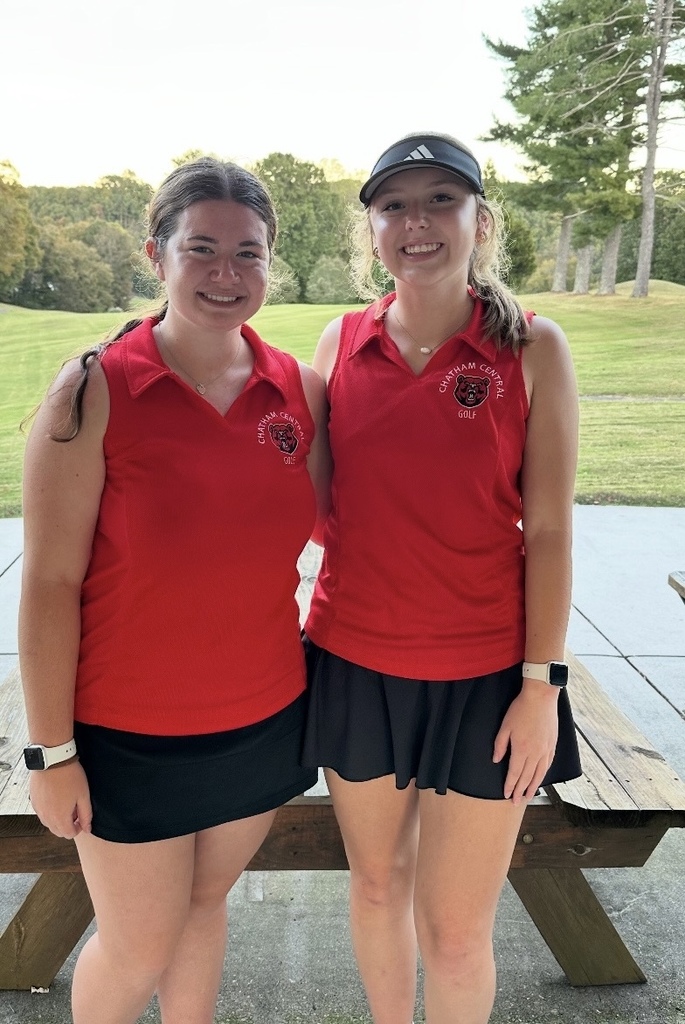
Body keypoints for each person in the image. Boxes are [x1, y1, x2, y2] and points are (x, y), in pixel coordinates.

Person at [19, 157, 329, 1024]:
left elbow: (355, 525)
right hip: (126, 736)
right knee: (135, 945)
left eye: (248, 253)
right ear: (157, 255)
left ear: (271, 264)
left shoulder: (297, 391)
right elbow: (49, 584)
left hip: (264, 719)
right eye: (202, 249)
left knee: (203, 904)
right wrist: (51, 753)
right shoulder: (93, 390)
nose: (226, 274)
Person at [302, 132, 582, 1024]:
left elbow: (547, 528)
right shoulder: (338, 343)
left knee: (456, 931)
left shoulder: (532, 347)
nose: (415, 222)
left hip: (488, 680)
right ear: (372, 232)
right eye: (393, 206)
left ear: (479, 222)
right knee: (378, 888)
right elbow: (288, 496)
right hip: (357, 663)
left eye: (439, 201)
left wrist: (541, 686)